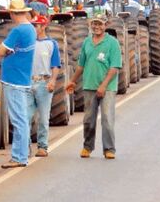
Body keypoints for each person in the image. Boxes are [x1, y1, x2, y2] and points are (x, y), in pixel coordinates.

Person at [66, 13, 122, 159]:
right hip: (89, 85)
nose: (97, 27)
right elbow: (81, 65)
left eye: (100, 24)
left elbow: (114, 67)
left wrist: (103, 86)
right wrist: (72, 80)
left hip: (107, 87)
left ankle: (109, 149)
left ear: (106, 25)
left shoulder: (112, 43)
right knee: (88, 119)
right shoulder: (87, 42)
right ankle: (87, 146)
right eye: (94, 24)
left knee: (107, 119)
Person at [0, 0, 37, 169]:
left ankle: (19, 157)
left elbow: (0, 50)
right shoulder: (30, 29)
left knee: (18, 119)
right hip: (22, 79)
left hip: (14, 80)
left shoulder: (18, 30)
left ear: (12, 13)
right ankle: (24, 152)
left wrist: (6, 50)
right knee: (22, 118)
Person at [26, 15, 61, 157]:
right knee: (25, 116)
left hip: (44, 82)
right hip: (28, 82)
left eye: (36, 25)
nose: (33, 28)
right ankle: (25, 146)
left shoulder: (51, 44)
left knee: (43, 117)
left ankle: (42, 146)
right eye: (32, 25)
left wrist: (53, 80)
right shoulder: (28, 44)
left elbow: (55, 65)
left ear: (43, 26)